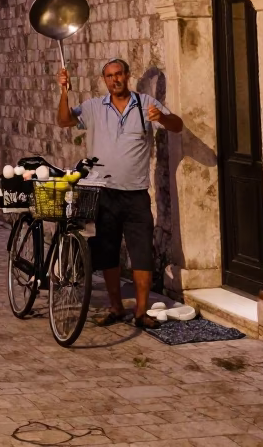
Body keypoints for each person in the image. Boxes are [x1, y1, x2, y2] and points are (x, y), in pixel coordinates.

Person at [57, 57, 182, 330]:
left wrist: (162, 117)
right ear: (105, 80)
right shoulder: (93, 108)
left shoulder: (146, 104)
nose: (115, 80)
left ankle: (140, 312)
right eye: (110, 76)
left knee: (141, 255)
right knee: (108, 253)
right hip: (104, 194)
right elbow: (65, 121)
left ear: (127, 75)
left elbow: (177, 125)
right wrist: (64, 90)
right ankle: (115, 307)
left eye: (119, 74)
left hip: (136, 194)